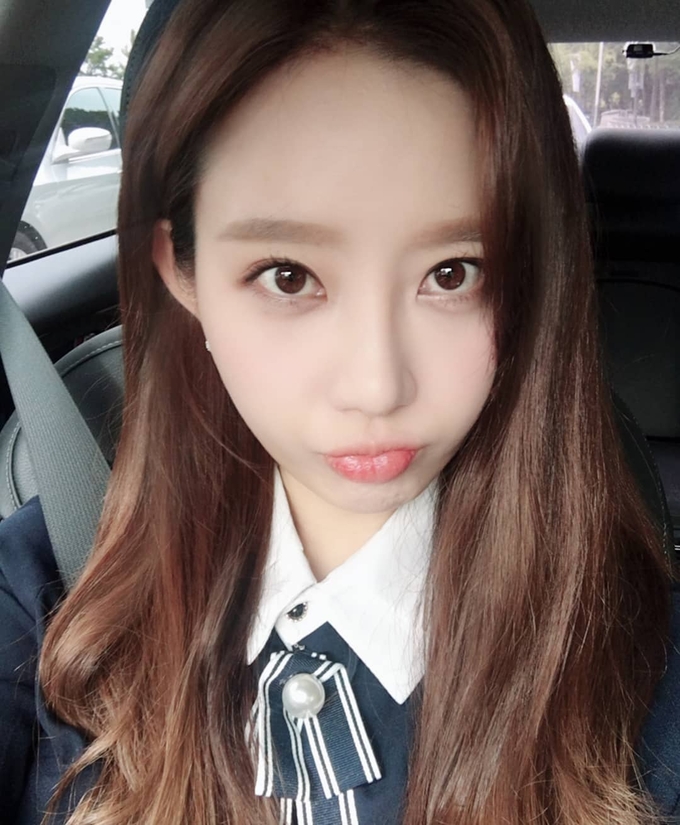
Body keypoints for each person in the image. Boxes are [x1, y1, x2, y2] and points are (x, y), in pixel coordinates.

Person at [1, 0, 678, 822]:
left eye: (455, 273)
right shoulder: (47, 592)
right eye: (288, 275)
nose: (376, 386)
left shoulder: (640, 661)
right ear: (182, 272)